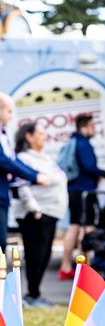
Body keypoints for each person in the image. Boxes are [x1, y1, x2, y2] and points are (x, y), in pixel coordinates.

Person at [13, 122, 67, 307]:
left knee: (45, 254)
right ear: (29, 136)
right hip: (36, 214)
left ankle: (35, 293)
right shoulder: (23, 159)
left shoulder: (45, 158)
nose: (45, 136)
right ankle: (31, 295)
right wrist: (33, 208)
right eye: (41, 133)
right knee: (35, 254)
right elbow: (21, 185)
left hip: (52, 212)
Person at [59, 112, 105, 278]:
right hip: (85, 191)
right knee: (87, 227)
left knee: (74, 225)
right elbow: (89, 166)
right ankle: (84, 269)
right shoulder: (84, 144)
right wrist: (104, 173)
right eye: (93, 126)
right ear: (84, 127)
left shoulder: (73, 141)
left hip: (74, 190)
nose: (95, 129)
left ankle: (66, 267)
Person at [0, 94, 50, 250]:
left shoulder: (3, 135)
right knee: (1, 245)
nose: (11, 115)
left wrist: (35, 174)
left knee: (2, 243)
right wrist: (34, 176)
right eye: (9, 111)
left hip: (3, 195)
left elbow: (12, 160)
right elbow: (4, 161)